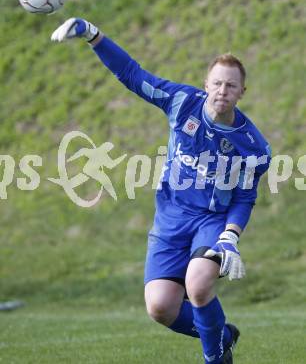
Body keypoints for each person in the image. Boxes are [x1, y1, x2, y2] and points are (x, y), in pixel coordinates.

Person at [51, 18, 271, 364]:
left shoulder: (252, 147)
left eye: (231, 86)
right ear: (206, 84)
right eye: (217, 83)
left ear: (242, 92)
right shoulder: (181, 102)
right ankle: (223, 335)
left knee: (198, 285)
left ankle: (216, 358)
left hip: (210, 222)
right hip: (170, 220)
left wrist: (230, 236)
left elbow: (245, 197)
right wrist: (93, 35)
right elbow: (133, 75)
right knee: (160, 307)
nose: (222, 91)